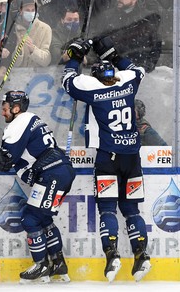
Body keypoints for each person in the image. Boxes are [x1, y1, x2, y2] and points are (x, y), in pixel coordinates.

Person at [62, 37, 152, 282]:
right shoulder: (128, 82)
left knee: (108, 209)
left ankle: (112, 254)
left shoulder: (93, 89)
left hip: (107, 159)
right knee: (132, 210)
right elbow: (136, 70)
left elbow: (68, 82)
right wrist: (112, 53)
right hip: (132, 158)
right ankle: (142, 255)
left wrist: (76, 57)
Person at [0, 90, 75, 283]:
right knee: (44, 219)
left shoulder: (17, 124)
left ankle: (41, 265)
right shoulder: (32, 118)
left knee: (30, 219)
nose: (3, 113)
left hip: (52, 175)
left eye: (5, 109)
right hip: (59, 171)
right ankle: (58, 263)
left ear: (16, 109)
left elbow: (4, 160)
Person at [91, 0, 161, 73]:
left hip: (138, 68)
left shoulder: (146, 18)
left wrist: (146, 67)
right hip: (111, 69)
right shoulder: (108, 16)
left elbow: (155, 45)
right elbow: (98, 41)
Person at [4, 0, 52, 68]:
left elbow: (46, 60)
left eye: (33, 10)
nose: (30, 13)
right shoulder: (14, 28)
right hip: (18, 75)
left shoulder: (45, 28)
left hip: (37, 74)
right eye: (27, 10)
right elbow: (12, 63)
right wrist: (19, 50)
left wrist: (33, 49)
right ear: (21, 11)